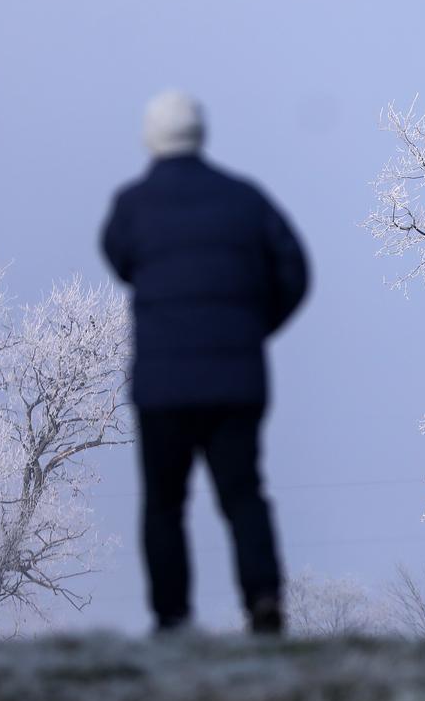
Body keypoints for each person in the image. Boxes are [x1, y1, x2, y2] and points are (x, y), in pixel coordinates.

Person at [99, 90, 309, 635]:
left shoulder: (132, 204)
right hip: (236, 383)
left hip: (163, 385)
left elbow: (118, 257)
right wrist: (254, 329)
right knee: (243, 495)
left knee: (165, 504)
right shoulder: (245, 199)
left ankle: (173, 617)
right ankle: (263, 600)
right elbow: (295, 270)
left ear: (151, 137)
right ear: (202, 133)